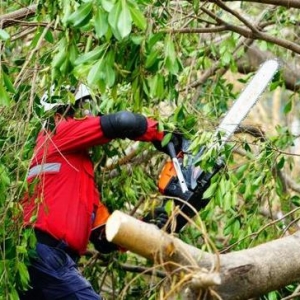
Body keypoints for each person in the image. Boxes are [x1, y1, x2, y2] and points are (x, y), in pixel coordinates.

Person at [19, 84, 179, 300]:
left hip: (53, 259)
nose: (87, 115)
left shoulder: (77, 170)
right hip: (44, 252)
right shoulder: (55, 131)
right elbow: (123, 122)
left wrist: (147, 224)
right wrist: (162, 133)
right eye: (81, 108)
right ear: (62, 110)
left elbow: (103, 237)